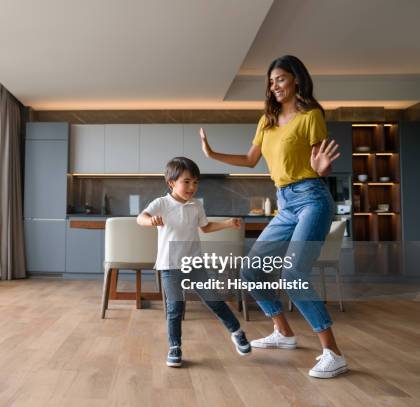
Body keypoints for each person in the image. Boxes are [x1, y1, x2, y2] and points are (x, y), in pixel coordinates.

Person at [199, 55, 347, 378]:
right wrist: (212, 154)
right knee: (251, 270)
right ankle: (283, 332)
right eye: (270, 81)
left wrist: (324, 171)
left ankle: (333, 352)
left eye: (280, 79)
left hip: (312, 198)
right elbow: (252, 159)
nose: (274, 86)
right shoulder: (266, 120)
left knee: (293, 274)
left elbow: (320, 161)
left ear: (295, 79)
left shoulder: (311, 116)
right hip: (284, 203)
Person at [137, 156, 250, 368]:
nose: (192, 186)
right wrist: (149, 220)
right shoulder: (161, 203)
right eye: (186, 181)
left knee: (214, 301)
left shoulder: (196, 205)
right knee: (175, 308)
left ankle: (237, 332)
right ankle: (174, 347)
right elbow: (140, 217)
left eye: (195, 182)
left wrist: (227, 223)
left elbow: (205, 227)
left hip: (194, 264)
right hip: (170, 265)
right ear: (171, 183)